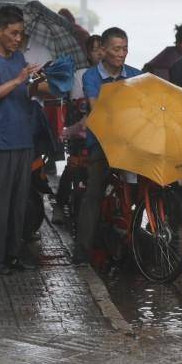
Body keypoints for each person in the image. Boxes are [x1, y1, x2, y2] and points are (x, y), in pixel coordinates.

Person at [0, 5, 44, 275]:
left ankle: (13, 254)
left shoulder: (18, 58)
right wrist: (18, 80)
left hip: (22, 137)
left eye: (20, 33)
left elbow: (25, 91)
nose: (18, 38)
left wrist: (36, 82)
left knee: (18, 202)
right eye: (13, 33)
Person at [71, 27, 141, 266]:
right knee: (94, 192)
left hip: (131, 140)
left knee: (144, 184)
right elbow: (96, 107)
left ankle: (135, 233)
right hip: (102, 141)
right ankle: (82, 250)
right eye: (116, 49)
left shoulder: (136, 75)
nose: (121, 54)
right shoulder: (91, 76)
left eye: (125, 49)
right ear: (103, 50)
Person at [53, 34, 103, 224]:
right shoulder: (80, 75)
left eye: (102, 48)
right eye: (95, 49)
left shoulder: (112, 75)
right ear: (88, 54)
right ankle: (59, 205)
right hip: (81, 131)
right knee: (73, 167)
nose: (100, 53)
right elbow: (78, 105)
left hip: (104, 133)